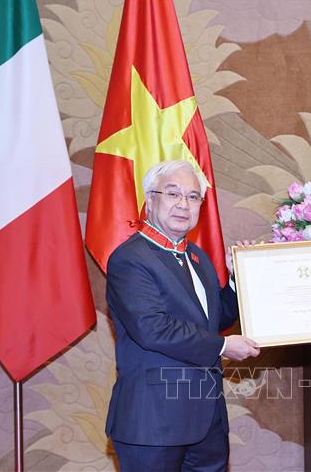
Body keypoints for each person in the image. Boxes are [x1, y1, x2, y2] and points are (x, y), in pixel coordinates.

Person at [105, 160, 260, 471]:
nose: (183, 204)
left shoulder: (197, 256)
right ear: (150, 200)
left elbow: (214, 320)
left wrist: (235, 280)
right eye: (173, 193)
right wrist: (222, 346)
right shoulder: (130, 259)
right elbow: (153, 328)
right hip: (153, 423)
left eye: (192, 196)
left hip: (207, 421)